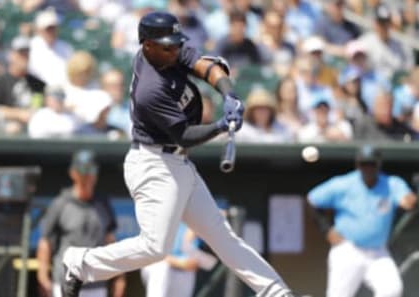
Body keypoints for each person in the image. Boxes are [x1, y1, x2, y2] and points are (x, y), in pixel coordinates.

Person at [62, 11, 294, 297]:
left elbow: (204, 66)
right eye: (168, 46)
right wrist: (221, 125)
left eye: (175, 43)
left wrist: (229, 93)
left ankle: (277, 292)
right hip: (154, 164)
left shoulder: (165, 51)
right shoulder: (150, 89)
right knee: (155, 248)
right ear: (147, 45)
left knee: (223, 237)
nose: (175, 50)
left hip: (178, 162)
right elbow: (184, 134)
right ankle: (80, 263)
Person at [307, 145, 417, 297]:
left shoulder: (391, 183)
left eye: (371, 164)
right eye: (364, 164)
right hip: (348, 249)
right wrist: (326, 229)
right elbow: (313, 200)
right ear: (357, 165)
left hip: (378, 252)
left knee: (391, 289)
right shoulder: (344, 184)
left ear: (378, 164)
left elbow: (407, 200)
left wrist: (410, 201)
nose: (368, 168)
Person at [36, 150, 126, 297]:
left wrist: (119, 278)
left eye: (90, 171)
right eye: (82, 171)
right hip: (65, 282)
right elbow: (45, 242)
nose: (87, 177)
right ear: (73, 173)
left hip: (96, 283)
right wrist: (42, 276)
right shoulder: (61, 203)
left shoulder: (103, 204)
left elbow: (110, 242)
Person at [141, 223, 211, 297]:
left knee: (188, 272)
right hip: (159, 265)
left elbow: (194, 263)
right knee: (161, 266)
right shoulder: (161, 219)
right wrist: (179, 263)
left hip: (183, 271)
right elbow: (151, 251)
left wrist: (196, 227)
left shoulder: (195, 222)